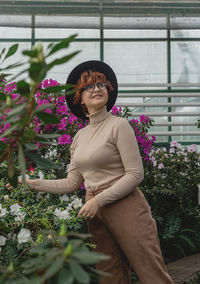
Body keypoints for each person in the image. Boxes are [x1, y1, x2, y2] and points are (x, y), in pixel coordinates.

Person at [24, 60, 174, 284]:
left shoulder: (119, 125)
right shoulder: (79, 137)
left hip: (125, 206)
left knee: (152, 275)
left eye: (101, 84)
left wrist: (99, 201)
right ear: (80, 99)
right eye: (88, 86)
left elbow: (135, 174)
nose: (96, 88)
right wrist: (32, 183)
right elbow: (72, 182)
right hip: (94, 210)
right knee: (110, 277)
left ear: (108, 90)